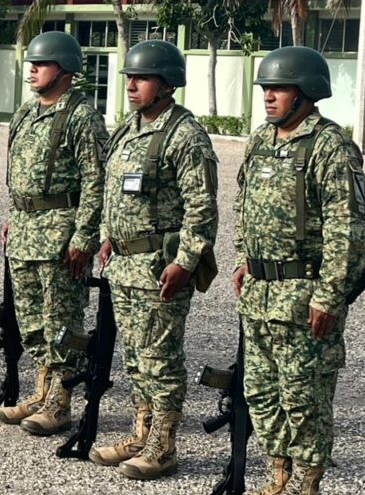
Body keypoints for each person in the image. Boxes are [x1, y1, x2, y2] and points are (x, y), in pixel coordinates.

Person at [234, 46, 365, 495]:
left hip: (302, 296)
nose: (268, 97)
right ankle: (278, 477)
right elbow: (243, 204)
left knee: (303, 397)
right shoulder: (260, 140)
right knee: (262, 392)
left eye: (279, 88)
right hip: (259, 293)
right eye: (266, 88)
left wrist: (329, 296)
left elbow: (346, 230)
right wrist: (241, 259)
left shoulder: (329, 147)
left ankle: (304, 485)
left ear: (307, 92)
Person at [94, 40, 219, 480]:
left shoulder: (185, 135)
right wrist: (108, 236)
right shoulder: (127, 130)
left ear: (166, 85)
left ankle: (163, 447)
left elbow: (201, 208)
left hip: (158, 269)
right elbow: (114, 192)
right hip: (124, 266)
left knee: (161, 358)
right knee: (135, 357)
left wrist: (185, 262)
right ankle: (140, 434)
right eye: (129, 77)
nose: (131, 84)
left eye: (141, 78)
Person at [0, 31, 108, 434]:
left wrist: (84, 238)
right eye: (31, 64)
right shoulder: (26, 113)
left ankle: (60, 401)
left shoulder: (82, 117)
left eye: (40, 65)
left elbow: (96, 182)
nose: (32, 71)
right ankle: (41, 391)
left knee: (62, 321)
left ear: (64, 71)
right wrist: (15, 214)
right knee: (31, 321)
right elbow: (18, 175)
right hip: (27, 231)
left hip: (60, 235)